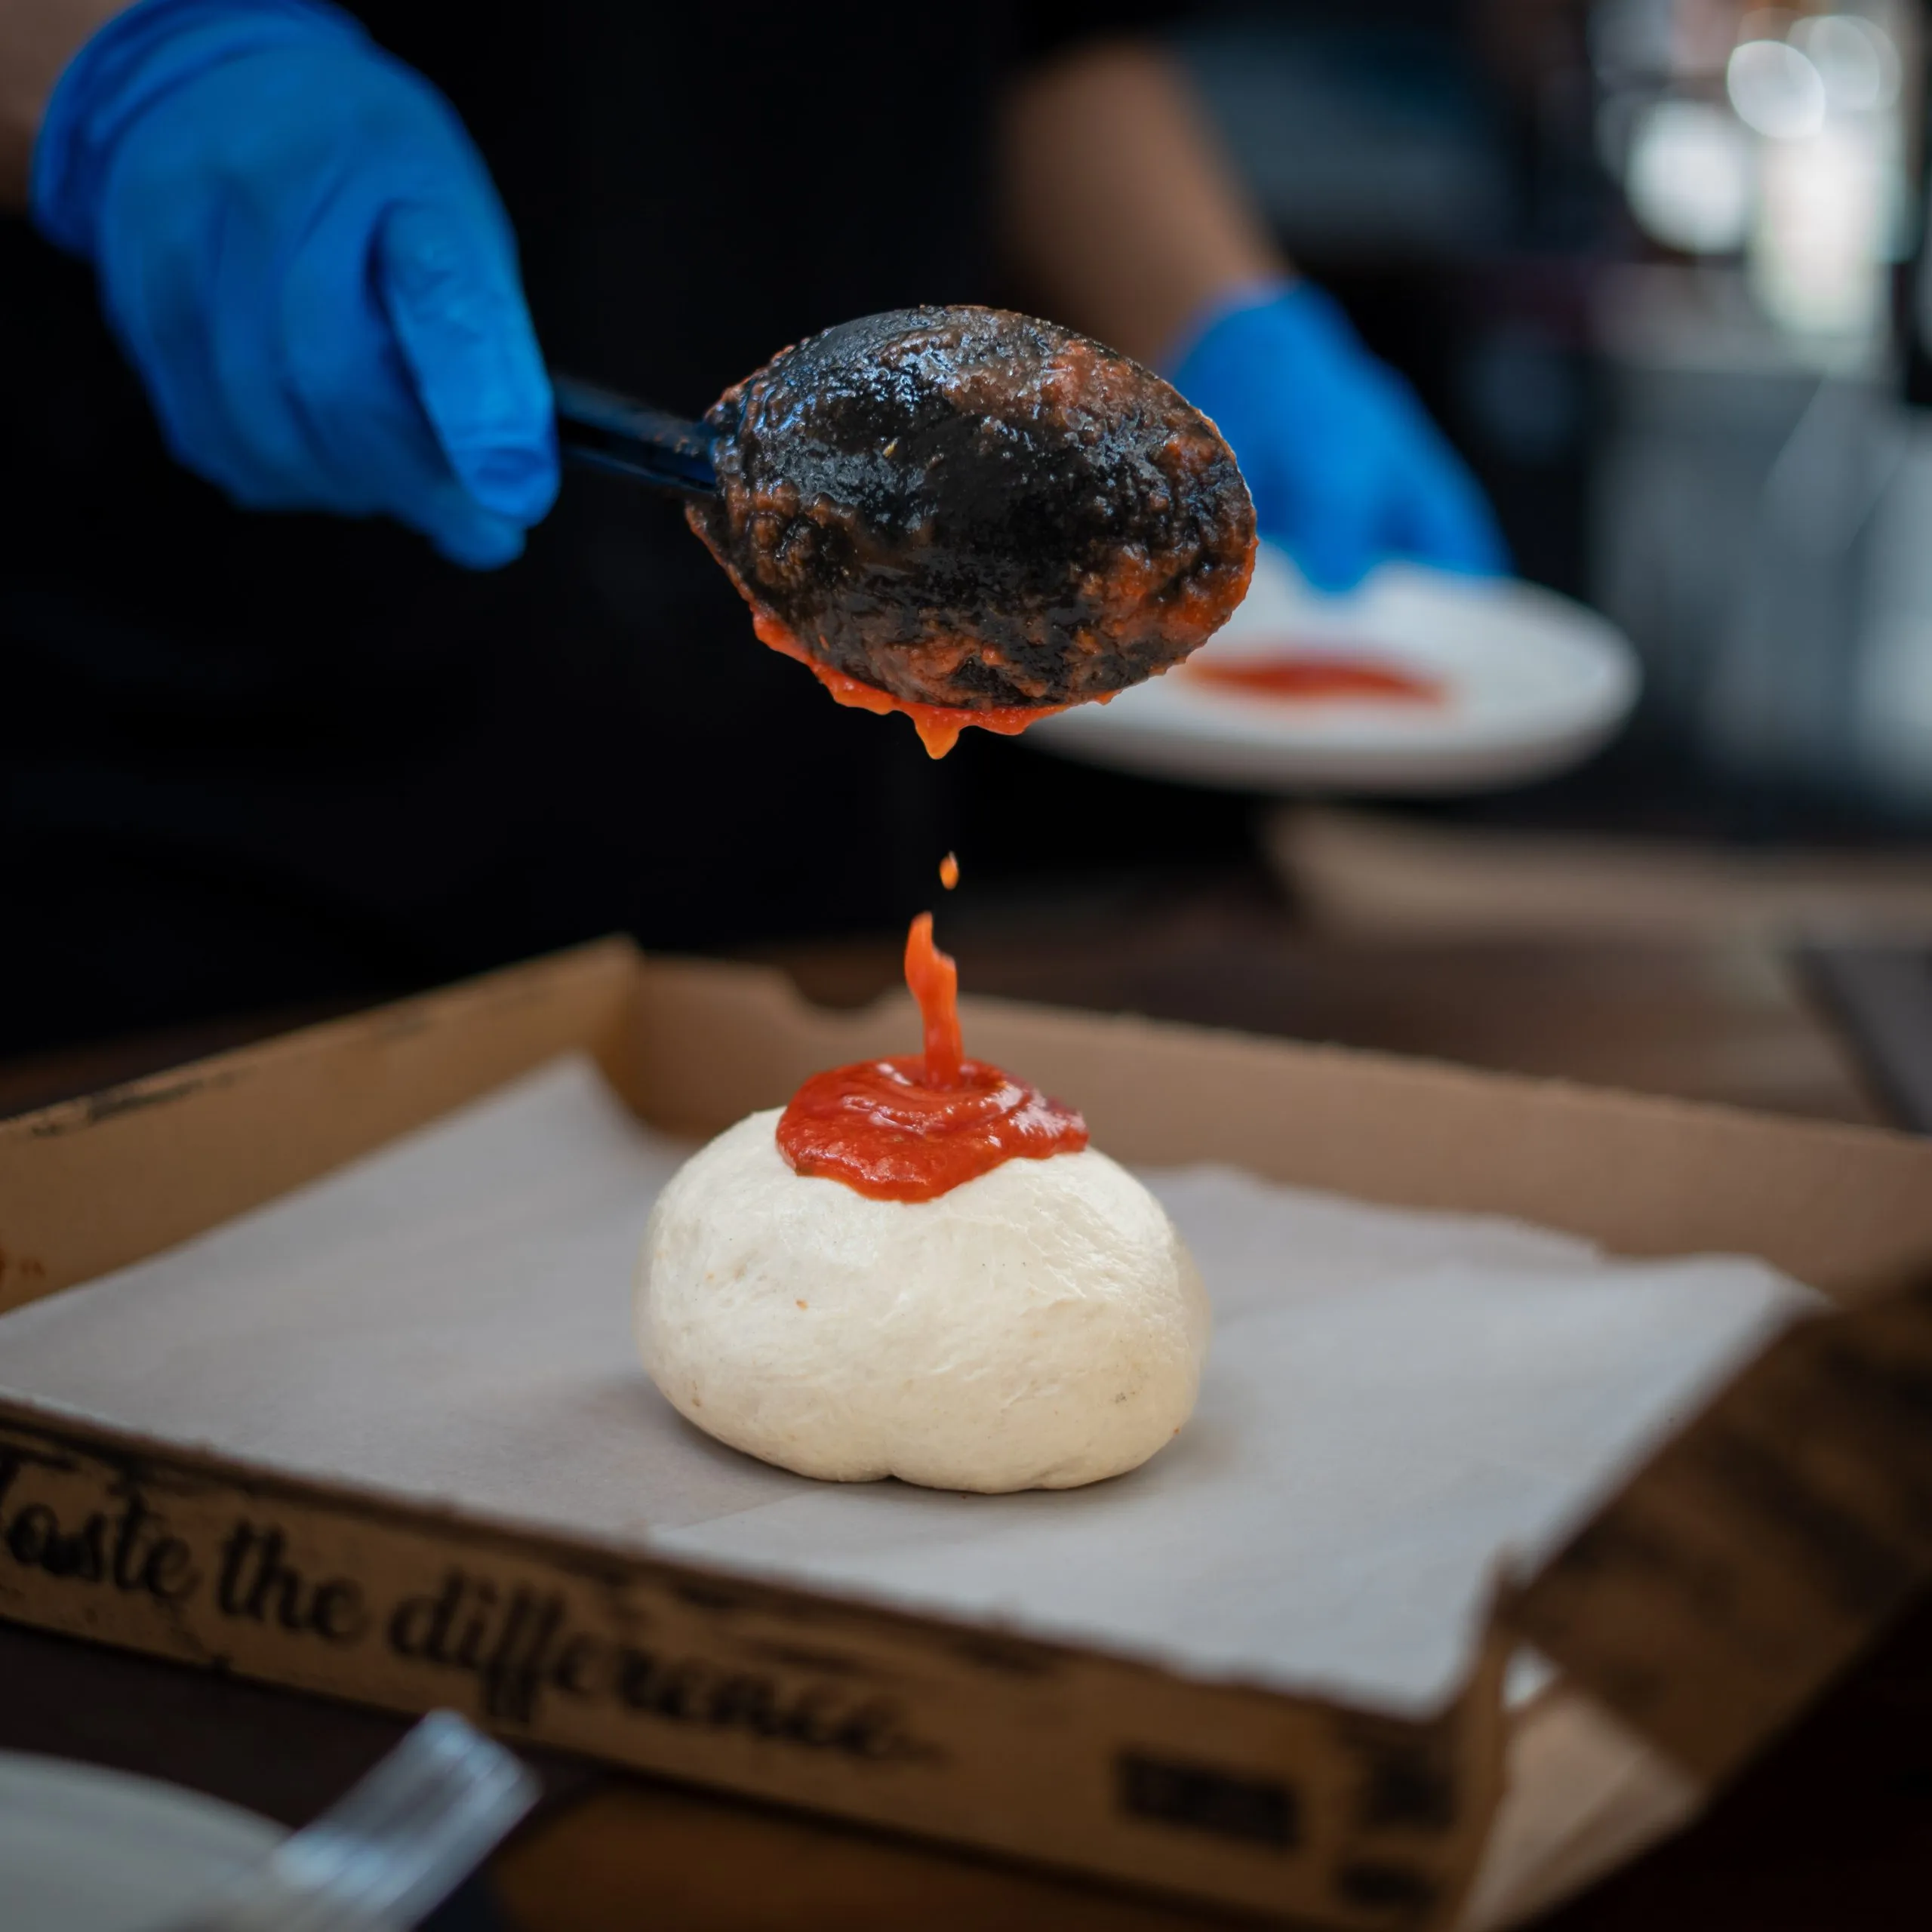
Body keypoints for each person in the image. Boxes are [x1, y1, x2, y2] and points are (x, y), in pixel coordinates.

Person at [0, 0, 1505, 1057]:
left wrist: (1221, 307)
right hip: (196, 812)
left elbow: (1038, 27)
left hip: (791, 813)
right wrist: (135, 72)